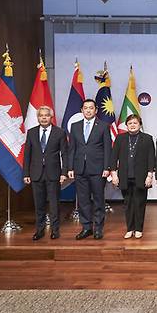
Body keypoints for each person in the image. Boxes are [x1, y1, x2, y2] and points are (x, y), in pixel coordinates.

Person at [67, 99, 112, 240]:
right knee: (83, 200)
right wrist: (70, 167)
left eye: (91, 108)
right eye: (85, 108)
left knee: (98, 199)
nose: (88, 110)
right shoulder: (75, 126)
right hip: (80, 168)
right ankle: (86, 228)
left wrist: (107, 167)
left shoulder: (104, 126)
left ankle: (98, 228)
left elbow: (107, 148)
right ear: (81, 110)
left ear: (96, 110)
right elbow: (72, 149)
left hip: (98, 169)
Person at [23, 106, 68, 241]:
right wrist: (26, 173)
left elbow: (64, 154)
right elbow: (27, 155)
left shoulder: (59, 132)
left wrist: (64, 172)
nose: (43, 118)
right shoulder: (31, 132)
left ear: (51, 117)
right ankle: (40, 230)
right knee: (39, 204)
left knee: (54, 204)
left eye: (46, 115)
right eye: (41, 115)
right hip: (36, 173)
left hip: (53, 173)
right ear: (38, 118)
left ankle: (55, 230)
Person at [110, 114, 155, 240]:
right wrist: (114, 173)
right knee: (128, 204)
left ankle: (139, 229)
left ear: (140, 124)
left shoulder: (147, 138)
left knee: (140, 203)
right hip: (125, 176)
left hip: (141, 177)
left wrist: (150, 175)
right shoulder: (120, 138)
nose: (132, 125)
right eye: (130, 123)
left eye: (135, 123)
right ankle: (130, 229)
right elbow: (113, 157)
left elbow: (151, 158)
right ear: (127, 125)